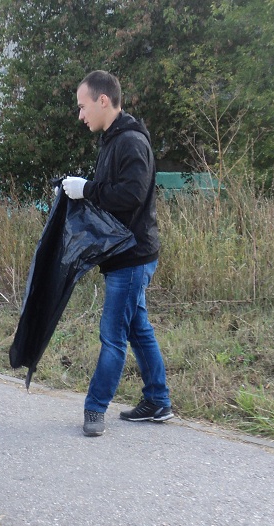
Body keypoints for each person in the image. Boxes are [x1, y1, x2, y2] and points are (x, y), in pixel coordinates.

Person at [61, 70, 173, 437]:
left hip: (132, 256)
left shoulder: (130, 142)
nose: (80, 115)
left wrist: (87, 189)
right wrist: (84, 190)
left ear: (102, 100)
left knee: (112, 336)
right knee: (137, 328)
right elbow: (114, 189)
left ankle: (95, 409)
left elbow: (130, 196)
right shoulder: (113, 140)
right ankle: (158, 401)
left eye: (82, 106)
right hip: (126, 253)